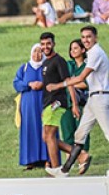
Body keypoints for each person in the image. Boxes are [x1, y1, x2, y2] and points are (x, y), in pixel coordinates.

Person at [47, 26, 109, 176]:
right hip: (93, 99)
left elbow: (81, 78)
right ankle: (65, 169)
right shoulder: (90, 54)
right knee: (79, 135)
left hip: (101, 97)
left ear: (95, 37)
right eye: (83, 37)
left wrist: (58, 85)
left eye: (88, 37)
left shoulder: (96, 53)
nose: (86, 40)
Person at [37, 32, 73, 174]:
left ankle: (57, 168)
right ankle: (80, 154)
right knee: (46, 137)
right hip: (48, 103)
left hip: (57, 101)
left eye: (48, 43)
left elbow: (69, 81)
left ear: (54, 44)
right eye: (43, 44)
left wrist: (74, 104)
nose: (46, 46)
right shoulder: (45, 62)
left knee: (50, 135)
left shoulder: (59, 61)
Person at [12, 44, 48, 169]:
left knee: (45, 128)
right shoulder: (24, 68)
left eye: (40, 52)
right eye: (35, 52)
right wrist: (29, 84)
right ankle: (30, 160)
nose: (37, 55)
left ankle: (46, 158)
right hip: (28, 103)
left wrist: (43, 85)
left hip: (43, 102)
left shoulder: (46, 67)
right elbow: (16, 83)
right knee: (29, 128)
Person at [60, 39, 91, 173]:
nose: (73, 51)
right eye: (71, 48)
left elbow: (87, 84)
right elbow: (64, 80)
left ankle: (83, 158)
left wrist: (71, 83)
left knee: (81, 130)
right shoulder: (68, 64)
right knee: (67, 130)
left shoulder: (87, 65)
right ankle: (69, 160)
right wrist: (73, 83)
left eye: (76, 48)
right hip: (66, 102)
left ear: (83, 50)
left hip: (82, 102)